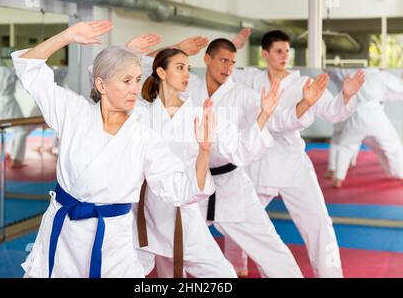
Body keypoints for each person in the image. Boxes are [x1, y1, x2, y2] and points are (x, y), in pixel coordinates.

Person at [11, 20, 213, 278]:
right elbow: (29, 67)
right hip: (63, 235)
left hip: (112, 241)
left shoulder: (144, 137)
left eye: (138, 79)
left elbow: (180, 189)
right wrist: (67, 36)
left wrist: (204, 151)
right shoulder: (74, 112)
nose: (134, 88)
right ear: (101, 85)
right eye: (126, 80)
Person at [132, 42, 285, 277]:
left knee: (221, 273)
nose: (187, 74)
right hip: (148, 208)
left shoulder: (200, 114)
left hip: (185, 205)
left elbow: (239, 149)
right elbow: (105, 91)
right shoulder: (141, 112)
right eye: (180, 67)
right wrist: (131, 50)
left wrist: (264, 114)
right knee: (139, 270)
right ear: (161, 73)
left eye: (188, 69)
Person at [229, 29, 365, 278]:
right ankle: (236, 267)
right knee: (239, 218)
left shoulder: (304, 84)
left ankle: (330, 274)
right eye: (279, 51)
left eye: (287, 51)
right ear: (265, 54)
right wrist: (233, 46)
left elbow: (333, 112)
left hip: (293, 162)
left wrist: (345, 95)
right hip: (259, 161)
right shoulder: (251, 79)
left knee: (319, 223)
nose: (284, 56)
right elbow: (224, 71)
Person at [326, 68, 403, 188]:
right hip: (376, 115)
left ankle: (338, 177)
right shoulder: (380, 75)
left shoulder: (351, 74)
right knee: (394, 146)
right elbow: (399, 89)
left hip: (357, 115)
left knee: (345, 145)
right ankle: (401, 174)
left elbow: (333, 73)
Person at [0, 64, 29, 168]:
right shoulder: (12, 70)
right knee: (21, 131)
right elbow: (21, 86)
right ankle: (16, 160)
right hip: (10, 101)